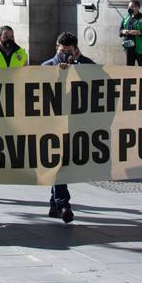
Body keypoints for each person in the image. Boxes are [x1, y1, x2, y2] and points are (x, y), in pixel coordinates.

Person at [42, 32, 95, 223]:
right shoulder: (47, 66)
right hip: (53, 127)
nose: (64, 54)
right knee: (59, 165)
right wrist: (58, 73)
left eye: (68, 51)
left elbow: (99, 76)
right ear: (57, 48)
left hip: (75, 123)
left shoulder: (82, 65)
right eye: (61, 51)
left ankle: (54, 205)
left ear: (75, 49)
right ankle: (64, 203)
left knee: (63, 166)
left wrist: (78, 61)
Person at [119, 0, 142, 67]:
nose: (130, 8)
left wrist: (139, 32)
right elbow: (120, 30)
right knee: (130, 68)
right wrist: (123, 31)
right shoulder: (126, 18)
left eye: (132, 6)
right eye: (129, 7)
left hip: (140, 48)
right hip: (129, 47)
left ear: (137, 7)